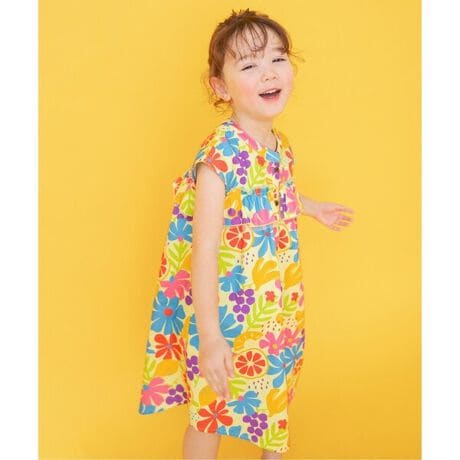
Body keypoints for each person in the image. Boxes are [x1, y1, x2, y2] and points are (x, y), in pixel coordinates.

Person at [138, 8, 354, 460]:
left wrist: (312, 208)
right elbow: (203, 248)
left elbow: (271, 194)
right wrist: (211, 336)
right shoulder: (219, 156)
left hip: (277, 306)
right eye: (249, 64)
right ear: (220, 87)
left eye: (277, 58)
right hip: (227, 314)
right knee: (210, 410)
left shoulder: (279, 145)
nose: (268, 72)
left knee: (275, 397)